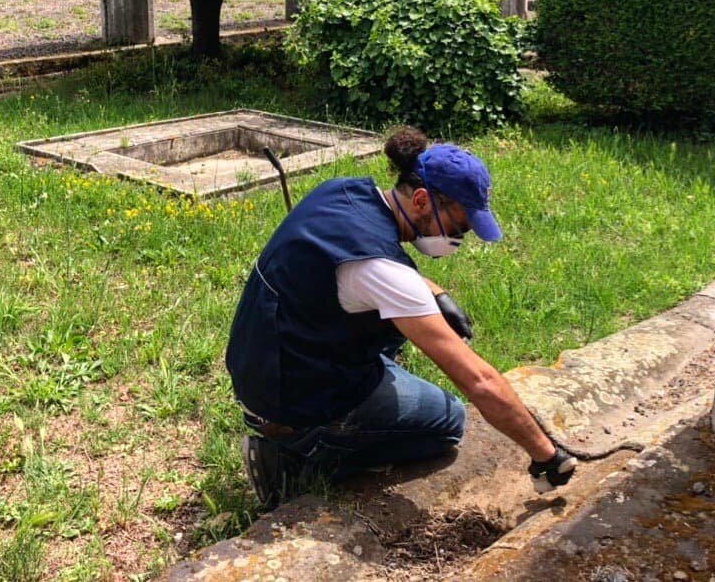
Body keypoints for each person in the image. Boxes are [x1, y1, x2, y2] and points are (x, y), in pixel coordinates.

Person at [225, 126, 575, 507]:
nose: (460, 239)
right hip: (293, 403)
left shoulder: (343, 191)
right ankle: (297, 459)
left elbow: (361, 268)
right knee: (448, 419)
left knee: (390, 352)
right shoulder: (385, 272)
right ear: (422, 201)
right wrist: (546, 454)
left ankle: (298, 432)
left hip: (264, 364)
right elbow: (480, 382)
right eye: (459, 226)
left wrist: (435, 293)